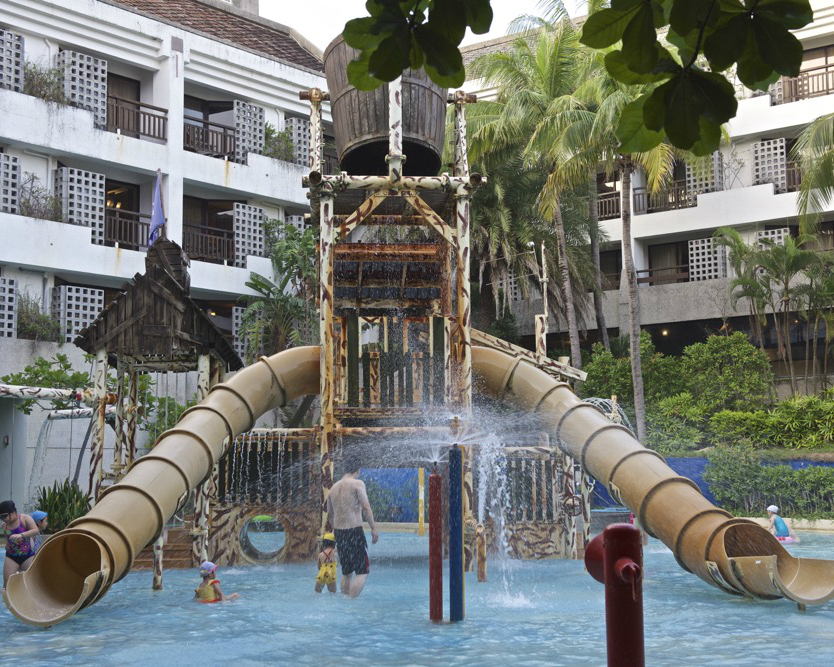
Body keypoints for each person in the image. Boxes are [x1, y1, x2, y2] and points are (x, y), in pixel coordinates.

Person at [327, 451, 379, 598]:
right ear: (358, 469)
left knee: (346, 571)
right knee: (363, 572)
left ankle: (344, 601)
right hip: (354, 531)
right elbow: (366, 507)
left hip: (339, 532)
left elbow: (330, 515)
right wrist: (374, 529)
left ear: (344, 469)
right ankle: (351, 601)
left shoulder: (333, 488)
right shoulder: (358, 484)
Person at [1, 500, 40, 588]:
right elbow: (6, 538)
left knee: (33, 583)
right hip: (11, 557)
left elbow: (36, 530)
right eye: (1, 517)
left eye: (4, 516)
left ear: (13, 512)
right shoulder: (4, 526)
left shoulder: (24, 519)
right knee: (6, 586)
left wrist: (21, 535)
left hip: (28, 556)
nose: (3, 519)